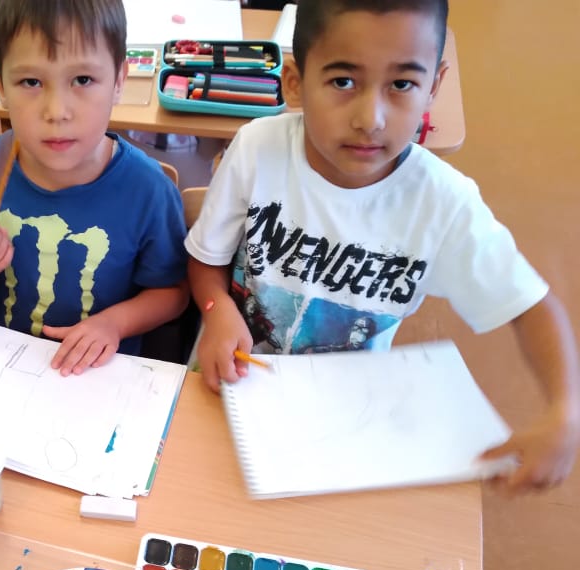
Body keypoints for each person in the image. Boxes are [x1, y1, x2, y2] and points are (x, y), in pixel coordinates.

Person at [186, 0, 579, 492]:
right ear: (295, 81)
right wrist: (216, 308)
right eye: (343, 81)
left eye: (402, 84)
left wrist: (565, 413)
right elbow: (206, 258)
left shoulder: (443, 203)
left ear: (433, 86)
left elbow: (531, 306)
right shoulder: (256, 150)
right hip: (230, 384)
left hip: (350, 420)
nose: (370, 119)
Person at [0, 0, 189, 376]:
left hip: (99, 375)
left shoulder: (148, 191)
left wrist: (114, 324)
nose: (57, 111)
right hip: (6, 366)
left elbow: (173, 293)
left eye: (83, 80)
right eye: (31, 82)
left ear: (119, 81)